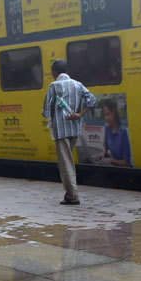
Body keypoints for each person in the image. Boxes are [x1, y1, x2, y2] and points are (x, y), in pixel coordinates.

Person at [42, 59, 97, 205]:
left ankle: (72, 196)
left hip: (61, 131)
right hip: (75, 129)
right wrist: (79, 114)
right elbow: (92, 100)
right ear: (67, 71)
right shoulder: (77, 84)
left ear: (54, 72)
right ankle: (70, 194)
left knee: (65, 163)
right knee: (69, 161)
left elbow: (46, 111)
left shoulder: (53, 86)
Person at [99, 98, 133, 168]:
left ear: (114, 112)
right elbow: (105, 149)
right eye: (105, 115)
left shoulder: (123, 132)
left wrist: (111, 160)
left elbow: (126, 162)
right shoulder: (107, 128)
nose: (106, 118)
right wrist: (101, 155)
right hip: (113, 168)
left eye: (108, 114)